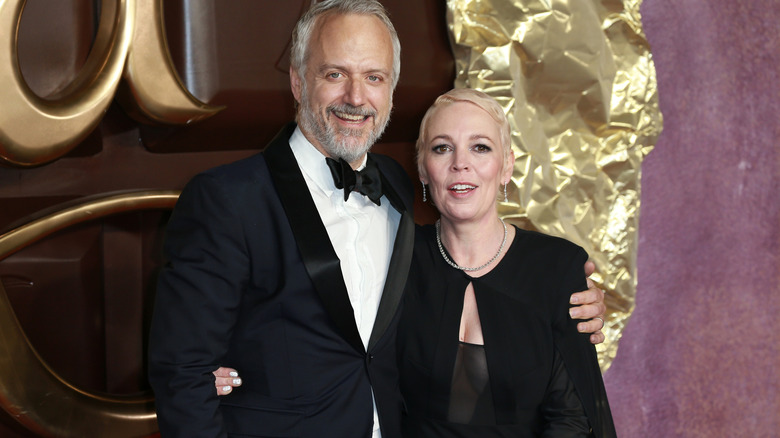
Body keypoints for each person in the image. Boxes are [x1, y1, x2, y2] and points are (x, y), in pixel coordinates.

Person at [149, 1, 606, 437]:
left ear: (391, 90)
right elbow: (182, 373)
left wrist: (573, 306)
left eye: (374, 77)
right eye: (334, 74)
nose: (356, 96)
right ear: (297, 81)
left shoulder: (394, 188)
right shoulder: (227, 199)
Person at [396, 88, 616, 436]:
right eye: (442, 148)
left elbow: (571, 420)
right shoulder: (395, 257)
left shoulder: (557, 267)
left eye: (480, 147)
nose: (460, 163)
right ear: (423, 169)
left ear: (506, 167)